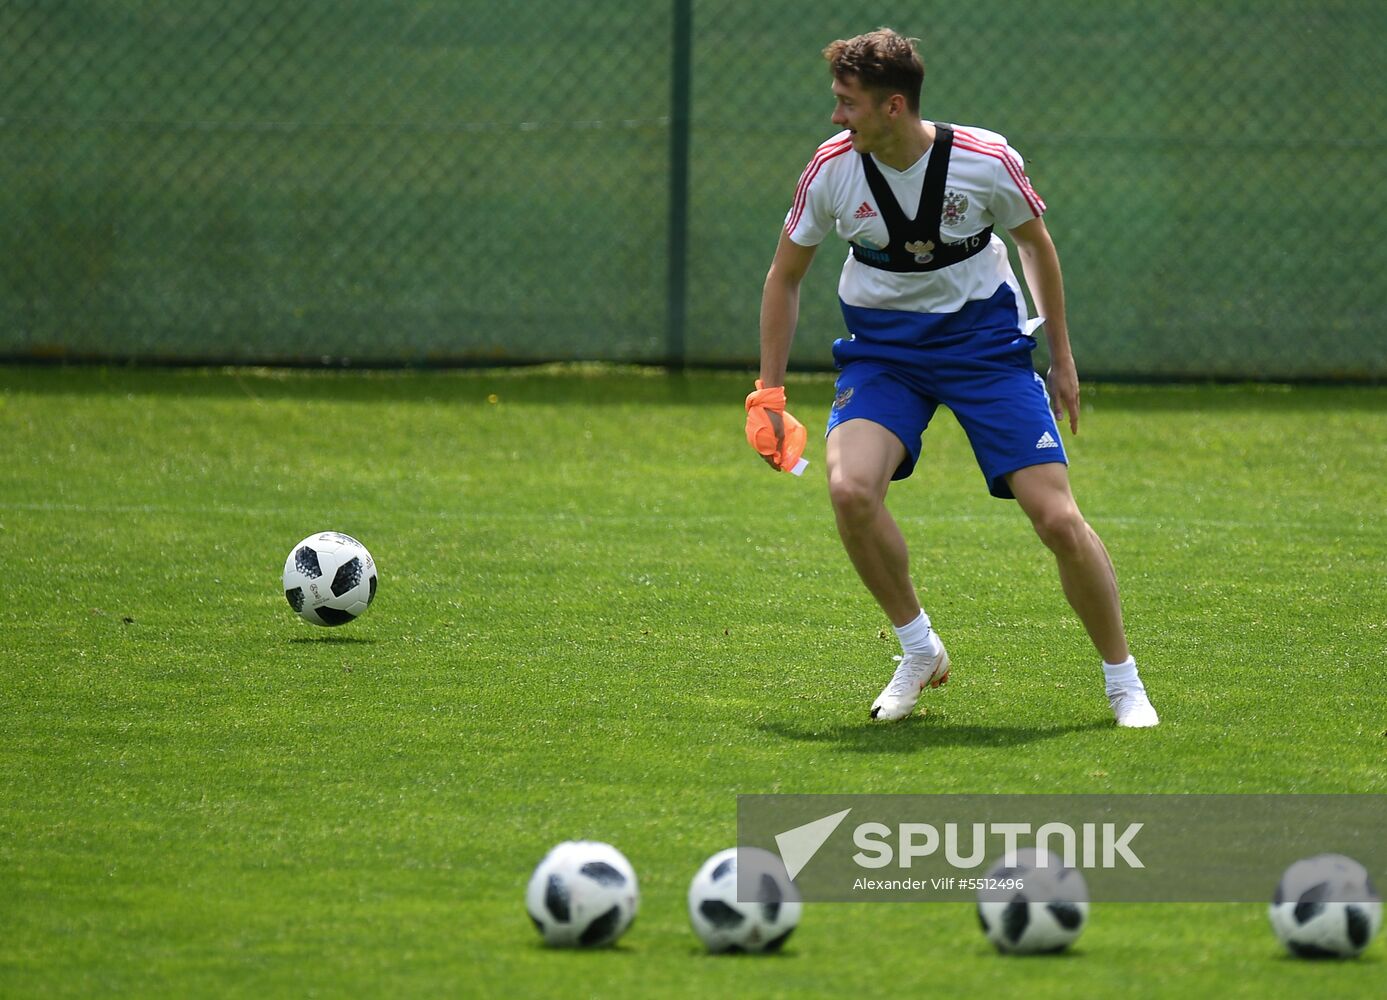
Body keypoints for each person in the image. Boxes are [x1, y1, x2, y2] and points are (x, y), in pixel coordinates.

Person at [745, 28, 1158, 727]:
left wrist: (1060, 358)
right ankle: (917, 647)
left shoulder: (985, 159)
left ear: (893, 106)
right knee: (848, 490)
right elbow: (784, 278)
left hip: (985, 347)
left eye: (846, 103)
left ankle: (1123, 684)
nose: (835, 117)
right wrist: (769, 393)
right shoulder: (830, 170)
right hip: (883, 354)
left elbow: (1036, 248)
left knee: (1056, 517)